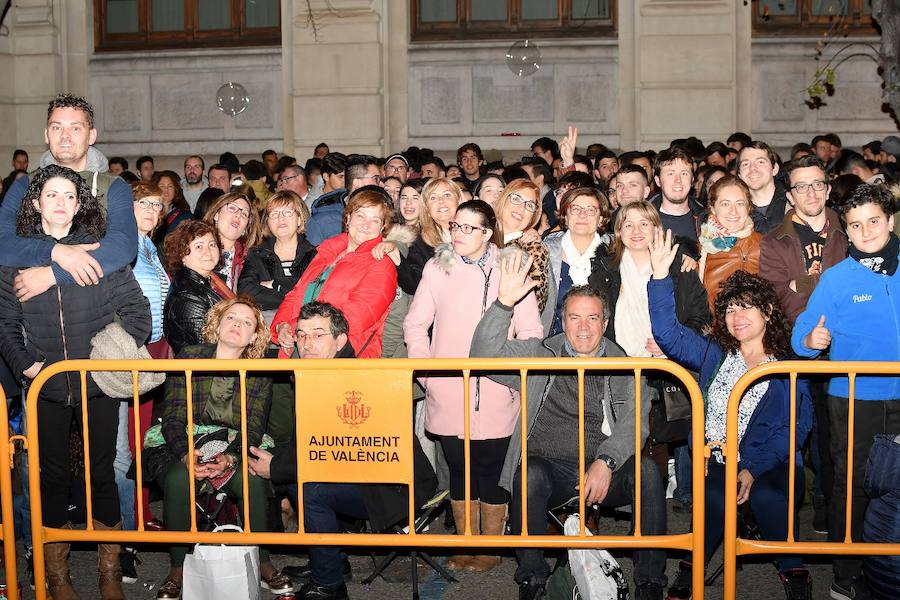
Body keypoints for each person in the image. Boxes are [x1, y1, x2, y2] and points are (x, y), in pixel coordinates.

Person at [0, 165, 152, 600]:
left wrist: (104, 358)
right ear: (36, 204)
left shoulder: (100, 254)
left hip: (97, 386)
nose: (61, 203)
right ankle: (58, 577)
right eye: (52, 195)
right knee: (51, 479)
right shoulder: (14, 257)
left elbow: (140, 317)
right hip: (44, 387)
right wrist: (27, 366)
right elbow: (6, 323)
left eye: (70, 195)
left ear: (80, 203)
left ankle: (108, 572)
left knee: (102, 474)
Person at [470, 263, 665, 600]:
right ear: (563, 321)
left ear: (605, 324)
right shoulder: (540, 353)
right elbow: (483, 356)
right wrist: (502, 304)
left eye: (593, 318)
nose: (584, 327)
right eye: (575, 317)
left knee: (647, 470)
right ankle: (531, 578)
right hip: (549, 468)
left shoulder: (625, 365)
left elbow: (637, 422)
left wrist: (606, 462)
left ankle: (649, 582)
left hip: (603, 470)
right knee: (527, 472)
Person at [649, 228, 814, 600]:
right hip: (717, 459)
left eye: (746, 307)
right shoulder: (715, 355)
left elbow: (795, 430)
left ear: (768, 311)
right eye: (729, 309)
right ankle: (690, 569)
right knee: (713, 495)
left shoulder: (788, 365)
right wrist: (660, 277)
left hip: (773, 463)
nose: (736, 316)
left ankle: (795, 572)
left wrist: (751, 468)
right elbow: (668, 334)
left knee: (769, 497)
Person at [247, 301, 438, 600]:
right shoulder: (314, 373)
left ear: (340, 341)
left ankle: (329, 586)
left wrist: (276, 467)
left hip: (395, 485)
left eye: (318, 334)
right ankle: (332, 562)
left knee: (312, 488)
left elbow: (336, 452)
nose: (307, 343)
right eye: (301, 334)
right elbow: (316, 446)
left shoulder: (355, 378)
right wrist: (276, 461)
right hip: (361, 472)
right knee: (293, 468)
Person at [404, 200, 543, 573]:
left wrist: (510, 375)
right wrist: (428, 372)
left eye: (469, 228)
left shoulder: (511, 266)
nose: (458, 234)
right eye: (455, 226)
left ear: (487, 232)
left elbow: (531, 332)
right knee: (459, 468)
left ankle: (491, 547)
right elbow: (415, 325)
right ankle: (467, 541)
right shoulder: (436, 268)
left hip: (498, 391)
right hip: (447, 388)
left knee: (491, 469)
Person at [792, 183, 900, 600]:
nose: (866, 231)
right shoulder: (836, 280)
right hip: (854, 398)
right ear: (847, 232)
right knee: (852, 487)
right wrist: (812, 340)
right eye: (855, 225)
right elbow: (802, 335)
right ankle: (846, 575)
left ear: (889, 221)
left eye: (874, 221)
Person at [151, 296, 294, 600]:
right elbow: (173, 416)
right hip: (186, 440)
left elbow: (254, 427)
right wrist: (186, 453)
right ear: (218, 323)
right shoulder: (189, 357)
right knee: (178, 477)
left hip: (235, 442)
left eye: (247, 322)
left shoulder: (259, 371)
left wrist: (230, 457)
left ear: (254, 335)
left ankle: (263, 560)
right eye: (231, 318)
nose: (237, 325)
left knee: (253, 475)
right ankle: (177, 567)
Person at [760, 156, 848, 536]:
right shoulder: (775, 240)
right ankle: (785, 522)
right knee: (795, 434)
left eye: (817, 184)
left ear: (828, 189)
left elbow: (855, 290)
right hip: (795, 350)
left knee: (836, 440)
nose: (810, 192)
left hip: (846, 350)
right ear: (790, 195)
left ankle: (830, 511)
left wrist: (804, 284)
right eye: (801, 186)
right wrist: (825, 286)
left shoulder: (849, 231)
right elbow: (780, 299)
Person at [0, 93, 138, 305]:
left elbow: (123, 246)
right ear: (46, 135)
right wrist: (56, 252)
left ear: (91, 136)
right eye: (56, 127)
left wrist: (52, 275)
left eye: (75, 128)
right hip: (35, 319)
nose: (65, 136)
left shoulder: (113, 186)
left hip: (95, 311)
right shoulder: (24, 185)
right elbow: (3, 242)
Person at [115, 181, 171, 580]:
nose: (151, 210)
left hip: (154, 348)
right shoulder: (121, 243)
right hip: (129, 352)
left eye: (156, 204)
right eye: (143, 203)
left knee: (144, 435)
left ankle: (141, 512)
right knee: (127, 442)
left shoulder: (148, 246)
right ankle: (128, 526)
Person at [271, 188, 397, 358]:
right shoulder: (326, 252)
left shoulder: (381, 263)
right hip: (302, 346)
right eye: (360, 216)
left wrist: (299, 328)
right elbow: (296, 294)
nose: (365, 225)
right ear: (348, 217)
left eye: (374, 220)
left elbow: (357, 316)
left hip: (343, 355)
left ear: (383, 227)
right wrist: (282, 326)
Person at [543, 186, 611, 334]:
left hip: (604, 345)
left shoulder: (615, 253)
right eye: (575, 209)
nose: (582, 215)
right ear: (566, 217)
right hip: (552, 345)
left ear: (601, 219)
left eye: (590, 210)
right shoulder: (544, 253)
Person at [238, 190, 316, 313]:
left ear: (300, 219)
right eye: (274, 214)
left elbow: (314, 292)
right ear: (268, 223)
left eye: (287, 212)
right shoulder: (256, 254)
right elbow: (246, 291)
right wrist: (294, 295)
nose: (281, 218)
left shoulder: (314, 255)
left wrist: (275, 284)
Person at [163, 220, 234, 355]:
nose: (208, 252)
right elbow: (206, 345)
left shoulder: (212, 280)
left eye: (212, 245)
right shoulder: (186, 296)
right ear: (182, 254)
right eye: (199, 246)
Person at [698, 175, 762, 309]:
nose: (733, 211)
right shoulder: (699, 250)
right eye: (725, 204)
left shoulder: (765, 245)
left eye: (740, 203)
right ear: (713, 208)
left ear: (749, 207)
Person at [493, 179, 552, 318]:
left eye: (530, 205)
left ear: (533, 216)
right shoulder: (480, 234)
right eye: (516, 198)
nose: (521, 207)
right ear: (503, 199)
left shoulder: (533, 249)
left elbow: (534, 310)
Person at [203, 191, 262, 292]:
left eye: (244, 214)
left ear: (245, 229)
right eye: (232, 208)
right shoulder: (196, 249)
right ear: (216, 215)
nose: (238, 215)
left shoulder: (252, 259)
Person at [738, 141, 789, 234]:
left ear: (775, 169)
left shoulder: (794, 203)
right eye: (745, 164)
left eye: (760, 162)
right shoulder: (733, 212)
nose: (753, 168)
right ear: (739, 175)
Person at [152, 170, 193, 248]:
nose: (166, 190)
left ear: (176, 190)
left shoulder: (184, 216)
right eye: (162, 186)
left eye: (170, 186)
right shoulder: (149, 212)